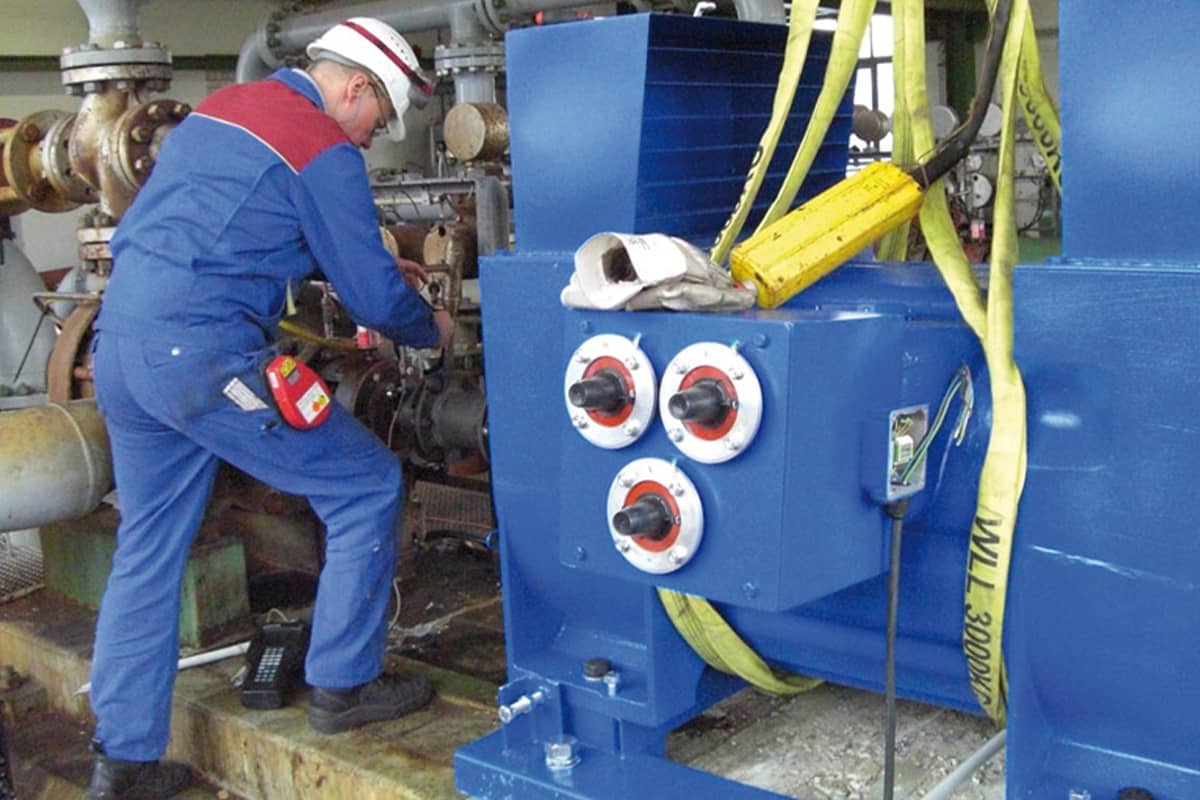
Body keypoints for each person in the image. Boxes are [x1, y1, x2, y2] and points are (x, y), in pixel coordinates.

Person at [84, 18, 453, 799]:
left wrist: (361, 261)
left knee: (148, 548)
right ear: (356, 87)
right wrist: (433, 329)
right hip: (201, 356)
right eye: (379, 118)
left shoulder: (222, 107)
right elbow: (373, 299)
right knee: (366, 484)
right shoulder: (321, 145)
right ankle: (344, 685)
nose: (372, 136)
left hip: (120, 346)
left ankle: (122, 763)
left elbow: (232, 230)